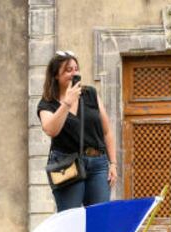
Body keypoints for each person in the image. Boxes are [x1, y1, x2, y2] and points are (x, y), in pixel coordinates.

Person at [37, 50, 117, 211]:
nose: (74, 73)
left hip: (98, 164)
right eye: (68, 70)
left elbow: (106, 131)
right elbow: (51, 130)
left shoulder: (90, 94)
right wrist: (67, 102)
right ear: (56, 76)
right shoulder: (47, 104)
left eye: (76, 69)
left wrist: (113, 163)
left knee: (99, 218)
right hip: (67, 165)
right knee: (70, 219)